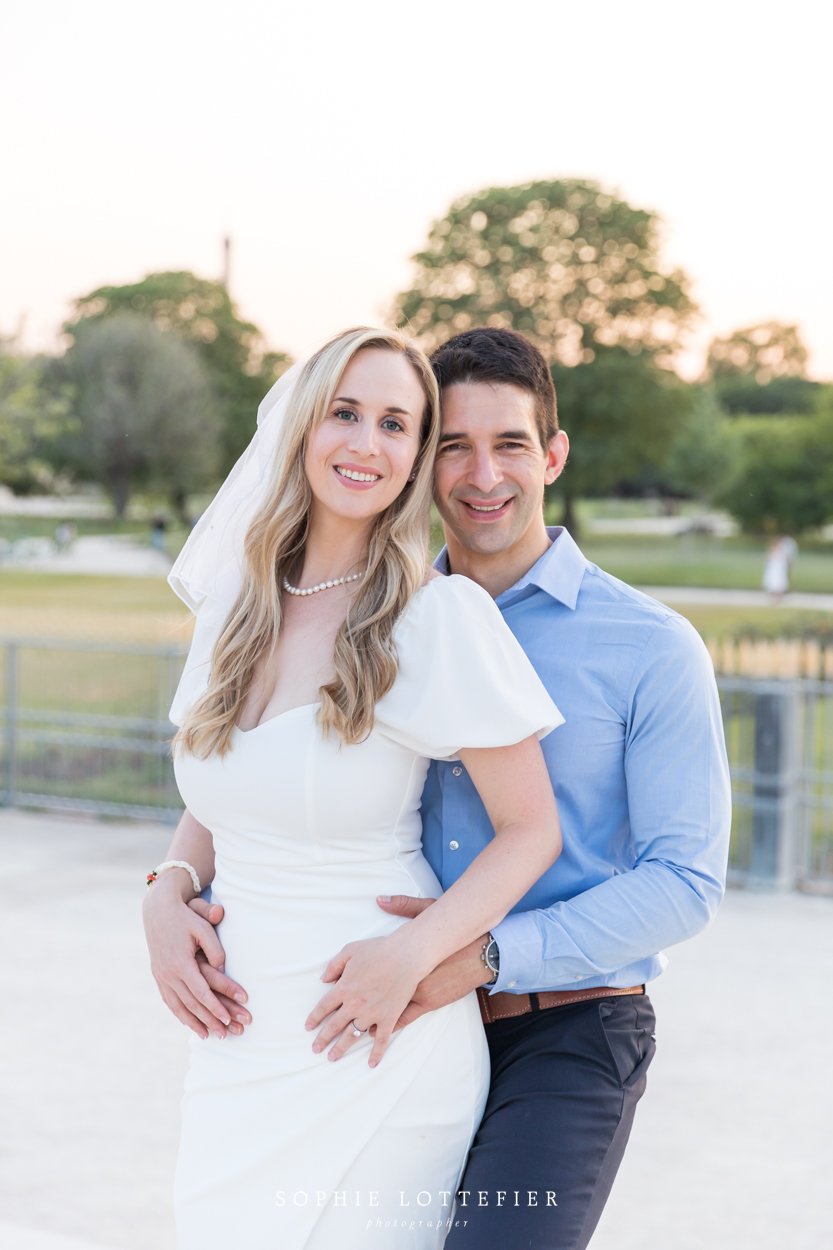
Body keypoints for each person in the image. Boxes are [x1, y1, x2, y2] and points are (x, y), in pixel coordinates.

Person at [148, 327, 732, 1249]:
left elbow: (684, 883)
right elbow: (253, 779)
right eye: (452, 444)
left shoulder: (643, 645)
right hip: (358, 1007)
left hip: (563, 1028)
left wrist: (466, 958)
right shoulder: (373, 608)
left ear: (552, 453)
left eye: (507, 444)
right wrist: (165, 888)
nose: (480, 473)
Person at [762, 533, 798, 599]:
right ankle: (775, 594)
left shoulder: (782, 550)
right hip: (775, 569)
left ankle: (779, 594)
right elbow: (768, 559)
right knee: (774, 580)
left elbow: (787, 558)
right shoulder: (773, 550)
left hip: (779, 569)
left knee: (780, 580)